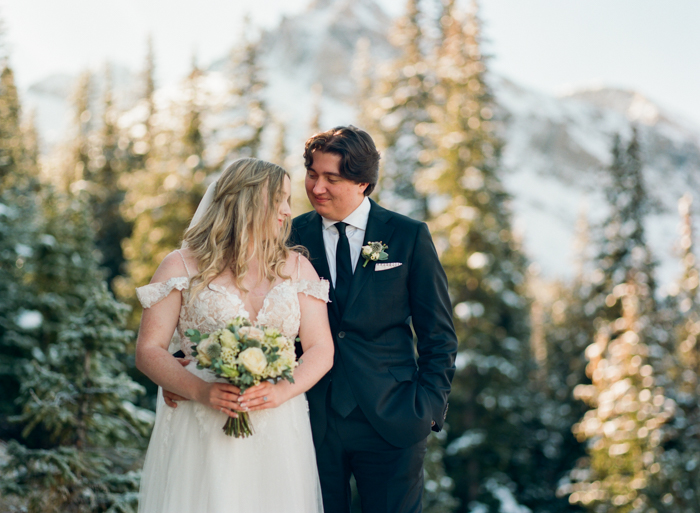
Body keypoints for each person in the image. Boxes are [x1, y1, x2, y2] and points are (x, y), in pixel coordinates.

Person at [134, 158, 334, 513]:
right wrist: (200, 390)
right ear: (247, 201)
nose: (288, 211)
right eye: (279, 200)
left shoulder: (298, 266)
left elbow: (320, 348)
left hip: (279, 423)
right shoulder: (181, 265)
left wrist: (281, 391)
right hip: (202, 420)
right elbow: (149, 349)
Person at [289, 126, 458, 513]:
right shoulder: (290, 235)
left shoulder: (408, 236)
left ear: (363, 182)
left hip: (393, 418)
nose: (317, 187)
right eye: (313, 174)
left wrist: (428, 408)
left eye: (332, 178)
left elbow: (439, 335)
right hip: (310, 419)